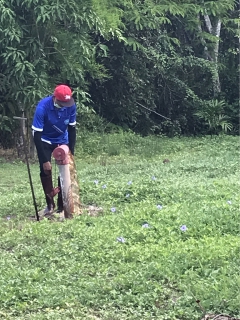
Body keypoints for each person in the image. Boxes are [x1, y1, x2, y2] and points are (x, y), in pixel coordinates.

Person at [32, 84, 76, 215]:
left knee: (65, 169)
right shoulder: (43, 107)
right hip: (45, 139)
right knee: (46, 170)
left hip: (62, 139)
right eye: (61, 103)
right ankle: (50, 205)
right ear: (54, 98)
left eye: (66, 103)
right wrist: (45, 160)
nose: (64, 106)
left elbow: (72, 129)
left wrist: (71, 151)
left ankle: (62, 207)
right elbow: (37, 134)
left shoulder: (71, 105)